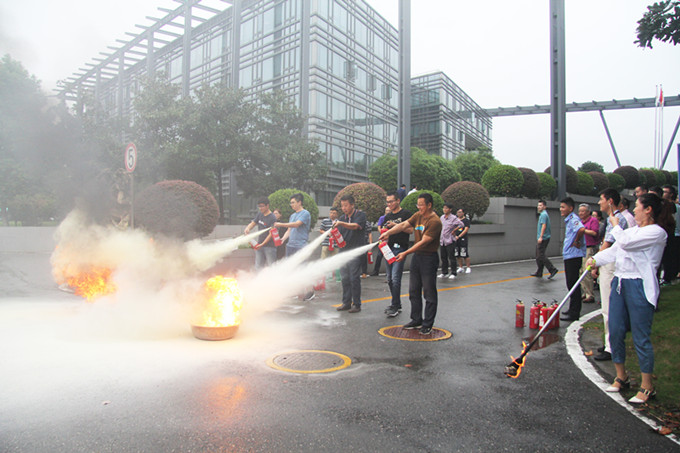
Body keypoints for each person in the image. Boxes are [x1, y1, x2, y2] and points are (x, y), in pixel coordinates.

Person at [587, 193, 673, 403]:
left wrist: (615, 224)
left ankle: (647, 386)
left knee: (640, 337)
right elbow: (616, 251)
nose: (634, 210)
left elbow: (625, 243)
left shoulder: (657, 233)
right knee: (615, 331)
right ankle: (621, 376)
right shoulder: (632, 231)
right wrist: (595, 260)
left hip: (639, 285)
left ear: (648, 209)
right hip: (620, 283)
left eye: (637, 207)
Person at [380, 193, 442, 334]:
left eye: (421, 205)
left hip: (429, 258)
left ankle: (427, 323)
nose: (419, 207)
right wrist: (388, 233)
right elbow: (403, 225)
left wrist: (405, 253)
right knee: (413, 290)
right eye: (417, 205)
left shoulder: (435, 221)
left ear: (429, 205)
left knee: (429, 292)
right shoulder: (418, 216)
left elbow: (423, 242)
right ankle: (416, 319)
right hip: (417, 257)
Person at [592, 188, 629, 360]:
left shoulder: (617, 219)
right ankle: (609, 342)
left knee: (608, 307)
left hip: (611, 264)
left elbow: (608, 243)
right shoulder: (612, 219)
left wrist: (595, 261)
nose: (599, 202)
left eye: (601, 199)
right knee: (607, 307)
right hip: (609, 262)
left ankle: (611, 347)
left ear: (610, 201)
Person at [274, 193, 314, 301]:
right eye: (291, 203)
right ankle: (296, 291)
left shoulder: (305, 213)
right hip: (290, 245)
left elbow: (296, 224)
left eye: (293, 202)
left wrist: (280, 224)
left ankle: (310, 291)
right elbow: (289, 230)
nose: (291, 204)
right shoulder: (292, 215)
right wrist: (283, 239)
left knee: (303, 269)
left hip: (300, 245)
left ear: (299, 202)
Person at [381, 192, 412, 318]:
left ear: (398, 201)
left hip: (400, 249)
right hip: (388, 250)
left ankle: (394, 306)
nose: (389, 204)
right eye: (387, 202)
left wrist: (396, 226)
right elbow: (384, 230)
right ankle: (396, 304)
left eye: (391, 201)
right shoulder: (387, 216)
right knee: (389, 278)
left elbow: (411, 230)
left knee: (395, 278)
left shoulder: (406, 214)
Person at [334, 194, 367, 313]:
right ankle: (346, 302)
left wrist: (340, 224)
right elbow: (340, 234)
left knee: (354, 278)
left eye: (346, 205)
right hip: (343, 251)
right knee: (345, 278)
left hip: (355, 251)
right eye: (342, 206)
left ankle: (357, 304)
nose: (344, 208)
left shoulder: (360, 215)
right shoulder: (342, 218)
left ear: (352, 205)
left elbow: (355, 226)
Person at [559, 197, 586, 322]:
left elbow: (581, 229)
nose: (561, 209)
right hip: (569, 255)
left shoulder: (574, 219)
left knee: (573, 284)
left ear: (570, 208)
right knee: (570, 284)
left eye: (563, 207)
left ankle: (575, 313)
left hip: (574, 256)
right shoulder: (569, 219)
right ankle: (571, 309)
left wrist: (576, 241)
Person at [244, 197, 277, 271]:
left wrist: (263, 244)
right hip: (259, 245)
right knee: (258, 267)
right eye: (259, 206)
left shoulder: (273, 218)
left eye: (262, 206)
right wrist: (248, 228)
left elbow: (271, 234)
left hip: (270, 247)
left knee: (272, 267)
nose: (260, 208)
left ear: (267, 206)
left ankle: (274, 282)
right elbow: (253, 223)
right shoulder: (260, 214)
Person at [531, 200, 558, 279]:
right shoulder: (543, 214)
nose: (539, 207)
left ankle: (552, 269)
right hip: (544, 237)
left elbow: (544, 226)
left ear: (544, 207)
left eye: (541, 205)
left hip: (543, 238)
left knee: (540, 255)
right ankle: (539, 272)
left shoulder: (543, 215)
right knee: (538, 255)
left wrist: (541, 237)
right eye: (538, 205)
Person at [578, 203, 600, 303]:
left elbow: (594, 232)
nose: (581, 213)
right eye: (579, 211)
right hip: (582, 248)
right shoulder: (580, 221)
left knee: (586, 272)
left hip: (590, 248)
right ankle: (585, 292)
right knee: (581, 271)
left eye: (583, 211)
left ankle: (590, 294)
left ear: (588, 212)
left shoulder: (593, 220)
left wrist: (583, 230)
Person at [660, 185, 679, 285]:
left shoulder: (673, 207)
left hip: (674, 234)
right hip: (672, 233)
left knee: (671, 257)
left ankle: (669, 277)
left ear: (671, 194)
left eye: (665, 192)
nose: (663, 193)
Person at [438, 203, 463, 279]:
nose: (444, 210)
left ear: (450, 209)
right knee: (443, 257)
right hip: (443, 240)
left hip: (450, 240)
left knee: (451, 257)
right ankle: (444, 272)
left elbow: (461, 225)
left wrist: (454, 230)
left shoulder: (453, 218)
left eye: (446, 208)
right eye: (444, 208)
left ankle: (453, 272)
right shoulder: (442, 217)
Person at [319, 207, 340, 281]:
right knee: (324, 260)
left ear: (337, 214)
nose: (332, 214)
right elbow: (321, 230)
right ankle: (326, 277)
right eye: (331, 212)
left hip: (335, 244)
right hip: (326, 243)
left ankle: (337, 277)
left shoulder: (339, 222)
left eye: (334, 213)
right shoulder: (325, 221)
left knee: (335, 260)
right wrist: (327, 234)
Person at [370, 206, 390, 276]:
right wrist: (383, 233)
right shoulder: (382, 218)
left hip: (390, 240)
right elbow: (379, 227)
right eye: (386, 210)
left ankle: (389, 272)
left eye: (389, 210)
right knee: (379, 255)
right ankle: (376, 271)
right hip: (382, 239)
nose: (388, 212)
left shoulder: (392, 218)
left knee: (389, 255)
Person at [454, 208, 472, 274]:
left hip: (463, 239)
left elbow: (466, 229)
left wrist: (459, 236)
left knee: (464, 253)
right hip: (455, 238)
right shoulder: (455, 220)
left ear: (463, 213)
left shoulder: (466, 221)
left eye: (460, 212)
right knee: (457, 254)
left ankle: (468, 267)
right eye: (458, 212)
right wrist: (454, 236)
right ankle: (461, 267)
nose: (459, 213)